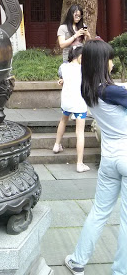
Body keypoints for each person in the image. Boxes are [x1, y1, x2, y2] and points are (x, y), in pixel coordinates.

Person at [65, 40, 127, 275]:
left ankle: (78, 261)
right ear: (103, 63)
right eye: (109, 58)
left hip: (110, 159)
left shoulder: (89, 89)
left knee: (99, 211)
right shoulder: (112, 92)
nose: (112, 62)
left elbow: (116, 91)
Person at [52, 46, 90, 173]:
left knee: (63, 120)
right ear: (80, 57)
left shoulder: (64, 67)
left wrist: (62, 81)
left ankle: (57, 145)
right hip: (79, 103)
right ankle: (79, 163)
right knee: (80, 132)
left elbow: (64, 79)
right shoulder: (84, 69)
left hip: (66, 101)